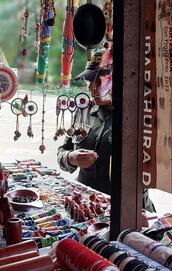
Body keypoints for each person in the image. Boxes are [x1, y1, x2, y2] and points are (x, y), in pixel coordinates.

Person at [57, 47, 155, 211]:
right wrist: (71, 157)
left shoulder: (138, 117)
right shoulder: (84, 111)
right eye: (90, 82)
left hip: (126, 210)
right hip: (86, 205)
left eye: (99, 82)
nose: (92, 88)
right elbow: (62, 151)